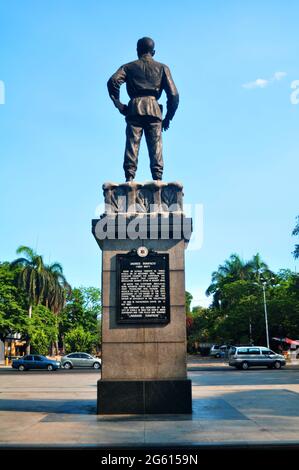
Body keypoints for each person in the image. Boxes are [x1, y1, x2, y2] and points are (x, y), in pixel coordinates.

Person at [107, 37, 179, 181]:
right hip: (153, 109)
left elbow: (113, 81)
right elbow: (174, 95)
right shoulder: (162, 68)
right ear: (153, 52)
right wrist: (168, 118)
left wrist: (118, 103)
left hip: (134, 108)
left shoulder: (128, 67)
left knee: (132, 143)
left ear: (137, 51)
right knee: (156, 144)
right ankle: (158, 178)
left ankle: (129, 177)